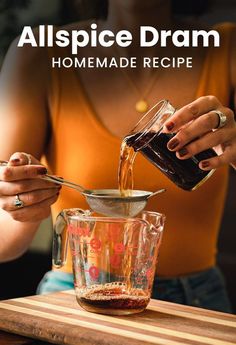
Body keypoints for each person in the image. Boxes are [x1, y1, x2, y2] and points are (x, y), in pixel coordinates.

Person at [0, 0, 235, 312]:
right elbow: (4, 234)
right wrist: (21, 206)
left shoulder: (226, 48)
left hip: (196, 300)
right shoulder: (39, 52)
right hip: (75, 296)